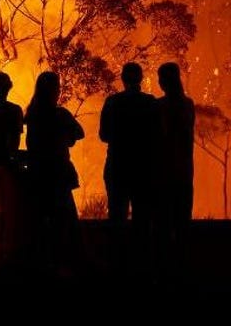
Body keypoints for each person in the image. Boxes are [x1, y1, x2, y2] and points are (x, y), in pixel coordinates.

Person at [24, 71, 85, 273]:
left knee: (40, 221)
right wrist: (66, 139)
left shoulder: (31, 114)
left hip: (37, 174)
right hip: (58, 174)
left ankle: (41, 263)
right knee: (66, 221)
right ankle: (67, 264)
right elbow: (79, 133)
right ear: (54, 90)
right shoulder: (59, 114)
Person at [98, 62, 160, 226]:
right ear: (141, 78)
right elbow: (158, 135)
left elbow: (103, 135)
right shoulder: (150, 103)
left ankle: (117, 251)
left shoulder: (112, 102)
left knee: (117, 218)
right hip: (143, 169)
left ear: (122, 78)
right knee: (143, 219)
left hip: (117, 167)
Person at [156, 61, 196, 273]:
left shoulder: (160, 107)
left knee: (164, 222)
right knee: (182, 221)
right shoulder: (188, 104)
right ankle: (182, 265)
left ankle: (166, 267)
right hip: (184, 172)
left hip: (165, 173)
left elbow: (159, 138)